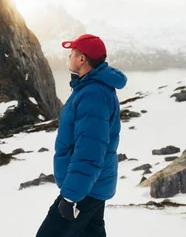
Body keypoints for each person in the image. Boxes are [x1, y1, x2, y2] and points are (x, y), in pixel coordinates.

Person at [36, 34, 127, 237]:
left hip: (84, 190)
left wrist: (70, 197)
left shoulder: (93, 94)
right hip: (92, 185)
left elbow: (90, 151)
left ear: (82, 59)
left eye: (72, 54)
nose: (69, 58)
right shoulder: (90, 89)